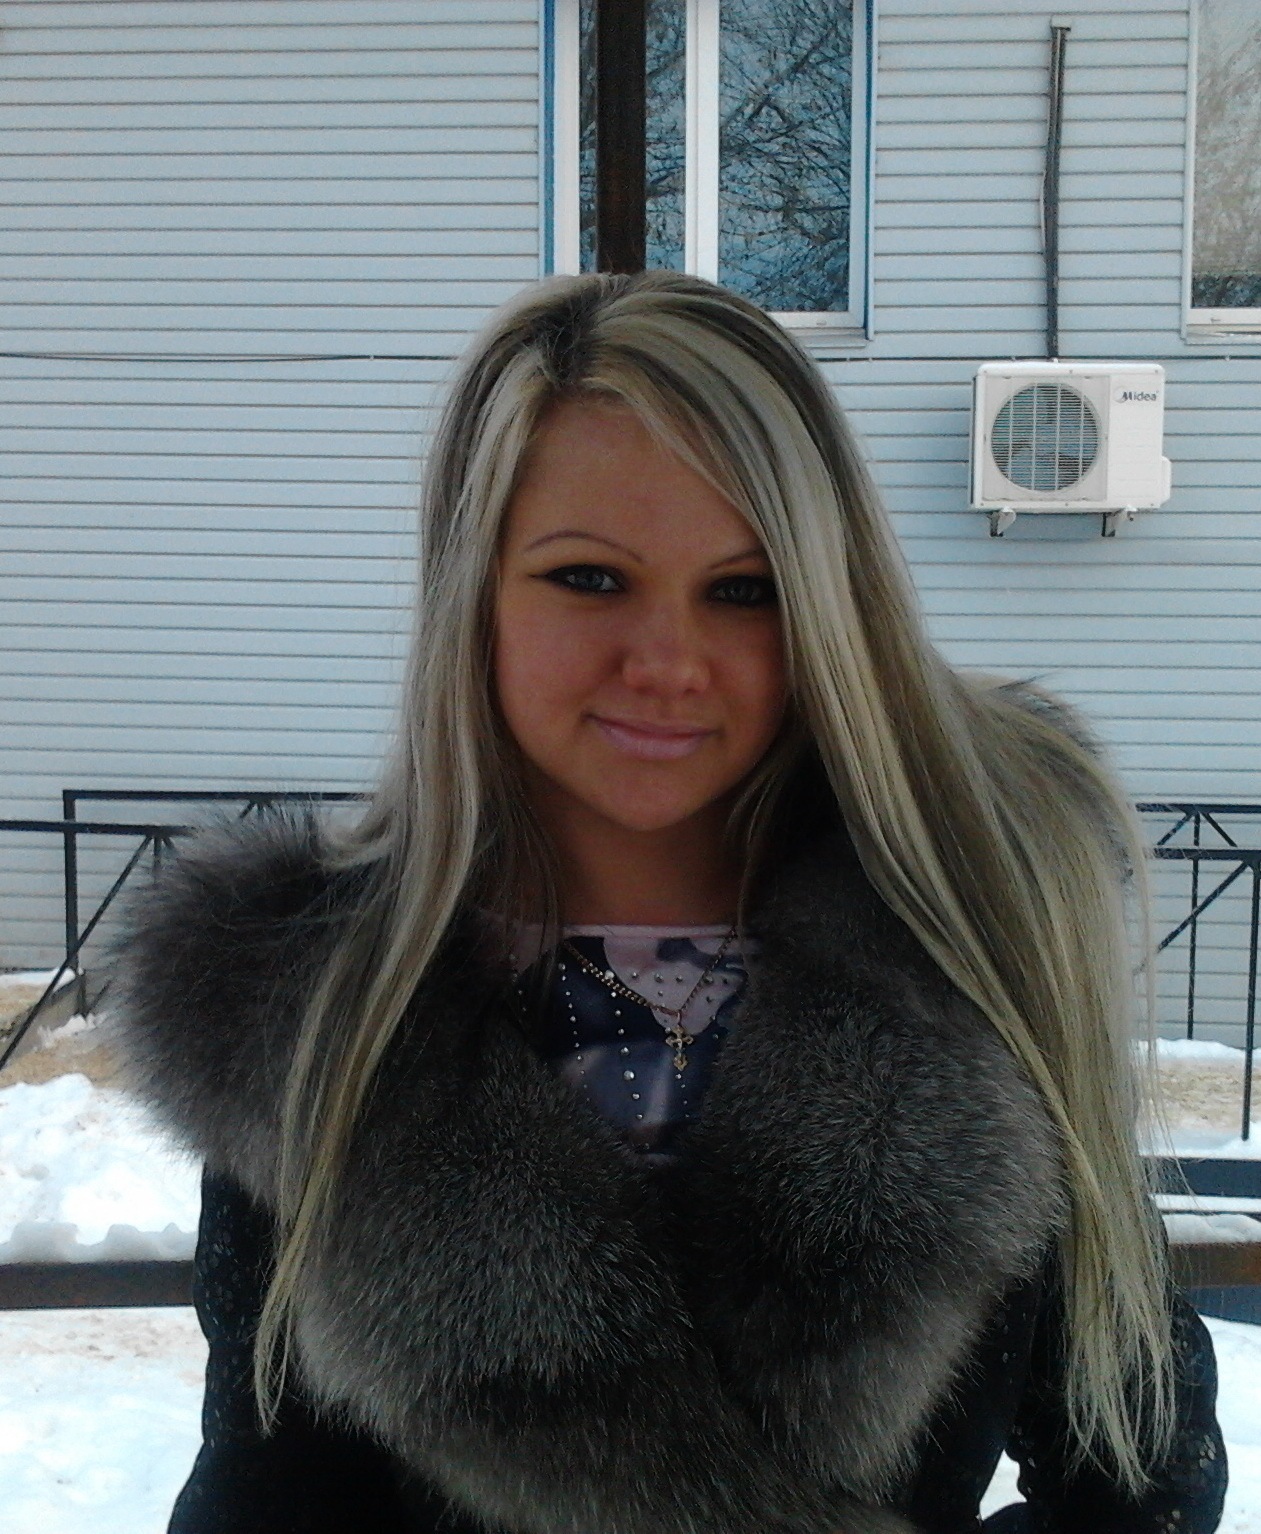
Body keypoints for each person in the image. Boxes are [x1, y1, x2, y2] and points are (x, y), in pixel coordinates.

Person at [110, 271, 1227, 1534]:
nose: (668, 663)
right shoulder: (310, 1009)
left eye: (744, 590)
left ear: (830, 606)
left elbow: (1138, 1469)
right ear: (473, 591)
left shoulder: (974, 942)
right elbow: (268, 1491)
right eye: (589, 578)